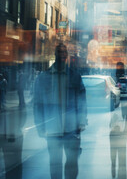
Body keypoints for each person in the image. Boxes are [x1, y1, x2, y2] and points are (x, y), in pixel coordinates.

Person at [33, 43, 87, 179]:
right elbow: (37, 104)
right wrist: (40, 126)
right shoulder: (43, 78)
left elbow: (82, 100)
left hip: (71, 129)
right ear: (55, 55)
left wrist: (81, 122)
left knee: (72, 164)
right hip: (52, 130)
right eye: (59, 52)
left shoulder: (75, 77)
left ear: (67, 55)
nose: (62, 55)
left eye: (64, 52)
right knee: (55, 164)